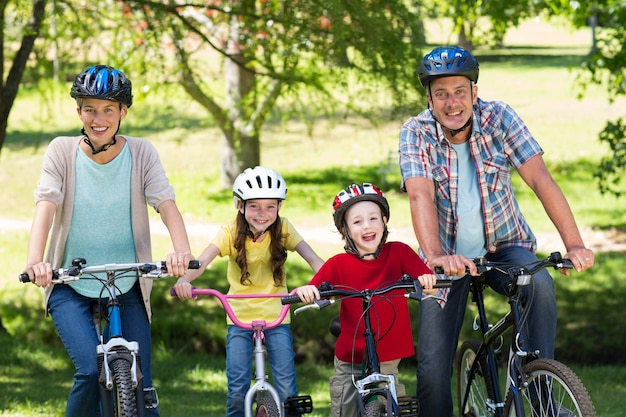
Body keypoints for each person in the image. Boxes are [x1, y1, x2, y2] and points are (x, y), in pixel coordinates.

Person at [398, 46, 595, 417]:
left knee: (539, 285)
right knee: (433, 370)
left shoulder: (500, 117)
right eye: (441, 94)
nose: (451, 102)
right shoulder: (415, 132)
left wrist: (574, 244)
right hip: (447, 257)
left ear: (474, 92)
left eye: (460, 91)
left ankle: (541, 404)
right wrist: (437, 256)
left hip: (505, 245)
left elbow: (540, 178)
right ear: (429, 98)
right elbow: (419, 195)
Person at [22, 64, 193, 417]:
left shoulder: (142, 153)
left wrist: (182, 251)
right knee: (88, 370)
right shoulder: (61, 151)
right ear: (78, 112)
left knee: (140, 385)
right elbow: (46, 204)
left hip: (127, 280)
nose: (98, 119)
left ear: (123, 112)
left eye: (108, 110)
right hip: (70, 282)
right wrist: (36, 261)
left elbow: (165, 202)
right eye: (90, 109)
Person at [172, 165, 324, 417]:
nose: (262, 213)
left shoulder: (283, 228)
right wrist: (184, 281)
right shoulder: (230, 231)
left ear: (279, 207)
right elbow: (204, 261)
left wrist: (321, 283)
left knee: (287, 389)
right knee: (237, 392)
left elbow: (314, 259)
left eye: (270, 206)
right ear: (239, 206)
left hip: (277, 314)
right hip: (238, 317)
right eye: (254, 206)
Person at [295, 183, 438, 417]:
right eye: (357, 222)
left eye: (373, 218)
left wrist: (426, 280)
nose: (367, 226)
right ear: (345, 231)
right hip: (351, 357)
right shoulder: (338, 265)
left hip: (388, 357)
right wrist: (307, 291)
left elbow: (427, 282)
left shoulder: (399, 253)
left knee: (394, 406)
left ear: (384, 222)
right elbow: (315, 287)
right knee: (345, 408)